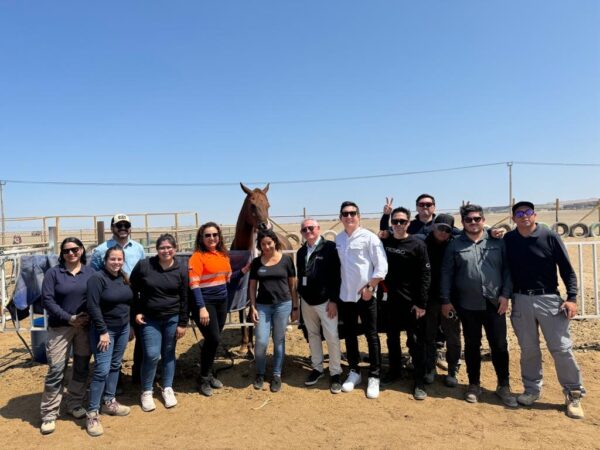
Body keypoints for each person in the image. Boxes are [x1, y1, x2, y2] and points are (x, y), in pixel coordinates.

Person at [505, 201, 585, 419]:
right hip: (520, 299)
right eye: (519, 213)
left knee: (561, 348)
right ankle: (531, 390)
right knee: (529, 349)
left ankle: (573, 393)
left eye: (528, 212)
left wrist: (572, 298)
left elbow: (567, 269)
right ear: (513, 218)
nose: (524, 216)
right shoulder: (509, 239)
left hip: (548, 299)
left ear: (535, 215)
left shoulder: (549, 236)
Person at [440, 204, 517, 407]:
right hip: (467, 305)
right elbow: (447, 273)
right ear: (463, 222)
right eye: (469, 219)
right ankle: (474, 384)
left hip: (494, 303)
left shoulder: (497, 241)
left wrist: (505, 295)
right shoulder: (455, 244)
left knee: (499, 346)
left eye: (477, 219)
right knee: (472, 345)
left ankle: (503, 386)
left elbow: (508, 270)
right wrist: (446, 300)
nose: (473, 222)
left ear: (483, 220)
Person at [39, 237, 95, 435]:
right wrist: (69, 318)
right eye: (66, 251)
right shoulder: (53, 273)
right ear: (62, 254)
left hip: (84, 327)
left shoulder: (90, 273)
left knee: (81, 365)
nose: (71, 253)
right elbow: (47, 300)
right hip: (60, 328)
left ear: (82, 250)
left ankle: (74, 403)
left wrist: (88, 316)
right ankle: (49, 413)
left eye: (75, 249)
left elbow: (95, 297)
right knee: (56, 369)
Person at [189, 222, 249, 396]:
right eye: (207, 235)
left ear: (219, 236)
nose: (212, 238)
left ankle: (207, 374)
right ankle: (203, 378)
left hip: (222, 302)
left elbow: (227, 279)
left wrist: (244, 270)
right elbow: (194, 285)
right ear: (201, 238)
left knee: (213, 340)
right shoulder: (197, 257)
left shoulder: (223, 255)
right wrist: (201, 307)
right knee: (213, 338)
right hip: (205, 303)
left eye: (215, 234)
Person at [336, 201, 388, 399]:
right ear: (340, 217)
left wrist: (370, 287)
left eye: (353, 213)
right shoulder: (339, 239)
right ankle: (354, 371)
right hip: (346, 296)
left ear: (359, 216)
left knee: (371, 335)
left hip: (365, 295)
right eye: (345, 214)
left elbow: (381, 266)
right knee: (349, 335)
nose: (349, 217)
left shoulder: (369, 237)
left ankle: (374, 375)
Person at [130, 234, 188, 411]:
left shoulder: (181, 269)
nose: (166, 251)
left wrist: (182, 323)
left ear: (175, 249)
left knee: (169, 352)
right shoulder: (145, 266)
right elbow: (132, 289)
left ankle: (167, 387)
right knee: (152, 354)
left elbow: (185, 297)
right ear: (157, 249)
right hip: (149, 318)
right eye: (162, 247)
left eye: (169, 247)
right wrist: (136, 311)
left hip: (172, 318)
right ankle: (146, 391)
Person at [379, 207, 431, 400]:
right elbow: (382, 230)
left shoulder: (417, 244)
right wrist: (385, 216)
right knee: (392, 339)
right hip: (390, 302)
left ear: (409, 223)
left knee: (416, 342)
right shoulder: (386, 241)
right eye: (395, 221)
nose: (399, 224)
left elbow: (425, 275)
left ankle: (419, 380)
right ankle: (394, 371)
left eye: (402, 221)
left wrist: (421, 303)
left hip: (412, 303)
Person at [91, 213, 146, 384]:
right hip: (111, 301)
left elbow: (143, 272)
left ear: (130, 228)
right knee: (113, 339)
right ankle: (114, 378)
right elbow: (95, 276)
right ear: (112, 228)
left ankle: (139, 373)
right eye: (119, 225)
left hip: (133, 298)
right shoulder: (100, 250)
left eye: (126, 225)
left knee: (141, 335)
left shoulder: (138, 248)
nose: (123, 228)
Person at [85, 246, 134, 437]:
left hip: (122, 328)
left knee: (115, 365)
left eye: (119, 259)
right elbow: (93, 306)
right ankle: (92, 413)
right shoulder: (97, 279)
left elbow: (127, 303)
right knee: (102, 370)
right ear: (105, 260)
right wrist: (103, 331)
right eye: (112, 259)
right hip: (104, 331)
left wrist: (129, 325)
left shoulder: (123, 277)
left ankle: (109, 401)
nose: (116, 262)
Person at [296, 218, 343, 394]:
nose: (308, 232)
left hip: (326, 302)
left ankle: (335, 372)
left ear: (318, 228)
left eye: (311, 228)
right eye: (304, 229)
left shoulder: (330, 248)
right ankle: (317, 368)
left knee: (331, 336)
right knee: (313, 335)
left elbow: (337, 276)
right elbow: (301, 275)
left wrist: (334, 300)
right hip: (307, 301)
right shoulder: (301, 252)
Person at [249, 229, 299, 393]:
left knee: (279, 339)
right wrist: (253, 306)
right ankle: (260, 372)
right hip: (263, 306)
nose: (266, 247)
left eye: (269, 243)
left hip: (283, 305)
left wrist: (295, 306)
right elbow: (252, 286)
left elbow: (292, 285)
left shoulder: (286, 260)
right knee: (261, 341)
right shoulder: (257, 262)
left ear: (275, 242)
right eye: (263, 244)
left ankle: (277, 374)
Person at [422, 214, 463, 387]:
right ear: (433, 227)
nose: (443, 232)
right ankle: (430, 367)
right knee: (429, 335)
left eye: (447, 230)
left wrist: (492, 232)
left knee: (452, 336)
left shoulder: (455, 244)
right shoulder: (423, 243)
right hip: (429, 299)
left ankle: (452, 369)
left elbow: (473, 232)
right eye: (440, 228)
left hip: (451, 300)